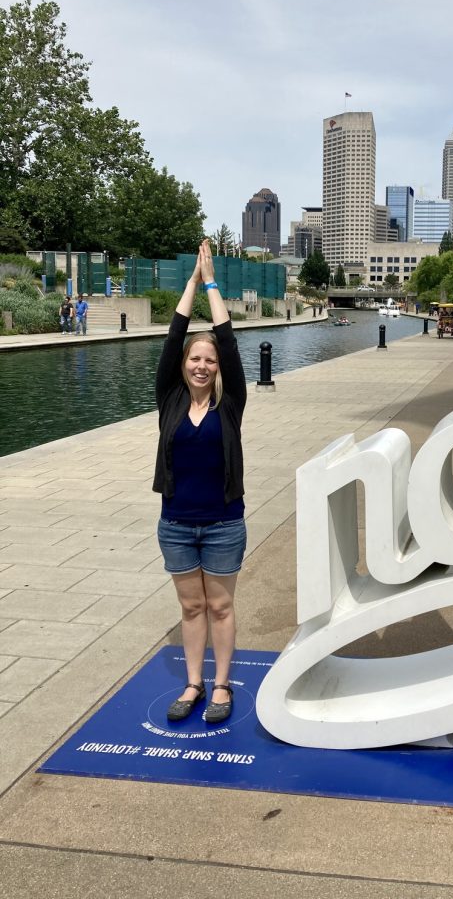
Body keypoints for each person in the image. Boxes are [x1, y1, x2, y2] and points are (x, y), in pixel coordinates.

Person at [154, 240, 247, 724]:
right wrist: (189, 282)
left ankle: (222, 685)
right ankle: (193, 684)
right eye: (195, 360)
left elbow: (228, 343)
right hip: (176, 523)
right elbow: (172, 341)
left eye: (208, 361)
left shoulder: (229, 407)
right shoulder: (168, 401)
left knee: (221, 605)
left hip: (223, 523)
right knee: (192, 609)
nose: (202, 365)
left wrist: (212, 283)